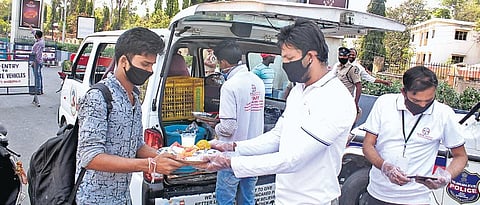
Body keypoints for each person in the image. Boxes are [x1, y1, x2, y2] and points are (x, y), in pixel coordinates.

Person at [197, 19, 357, 204]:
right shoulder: (299, 90)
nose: (285, 64)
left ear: (310, 57)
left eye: (289, 58)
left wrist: (230, 163)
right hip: (285, 197)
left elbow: (293, 159)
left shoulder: (335, 99)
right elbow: (277, 136)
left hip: (313, 200)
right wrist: (233, 147)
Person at [75, 27, 185, 204]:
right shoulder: (98, 97)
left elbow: (136, 145)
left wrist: (167, 155)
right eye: (145, 64)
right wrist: (150, 164)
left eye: (152, 65)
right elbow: (90, 157)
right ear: (124, 61)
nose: (150, 71)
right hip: (94, 199)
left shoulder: (134, 95)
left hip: (123, 197)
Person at [362, 66, 468, 204]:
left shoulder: (444, 114)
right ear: (403, 92)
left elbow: (461, 156)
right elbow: (368, 145)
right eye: (416, 101)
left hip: (417, 199)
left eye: (429, 101)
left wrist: (446, 176)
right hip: (378, 194)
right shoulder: (384, 103)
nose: (423, 105)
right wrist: (385, 167)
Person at [210, 40, 265, 205]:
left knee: (225, 200)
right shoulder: (257, 81)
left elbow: (228, 128)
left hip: (231, 158)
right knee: (247, 200)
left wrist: (214, 126)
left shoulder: (229, 86)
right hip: (253, 154)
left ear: (224, 62)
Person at [334, 47, 362, 114]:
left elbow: (359, 86)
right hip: (335, 100)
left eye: (344, 56)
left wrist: (355, 103)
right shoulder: (337, 67)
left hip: (346, 102)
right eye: (340, 55)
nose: (342, 57)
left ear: (348, 57)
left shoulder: (352, 69)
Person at [29, 24, 45, 95]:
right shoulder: (40, 41)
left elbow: (37, 54)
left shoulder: (39, 43)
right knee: (39, 75)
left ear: (37, 36)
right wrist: (31, 28)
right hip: (39, 61)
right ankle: (40, 89)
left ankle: (38, 89)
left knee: (37, 76)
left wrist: (34, 62)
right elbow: (34, 32)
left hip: (37, 61)